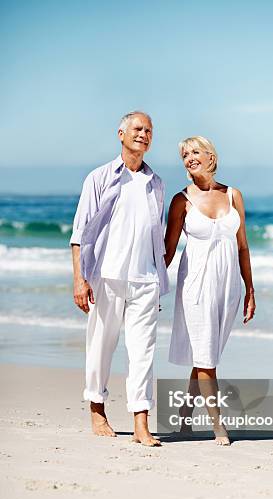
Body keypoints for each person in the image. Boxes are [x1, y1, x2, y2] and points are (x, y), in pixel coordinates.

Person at [69, 111, 169, 446]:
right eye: (138, 129)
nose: (143, 134)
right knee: (101, 345)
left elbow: (157, 235)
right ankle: (97, 409)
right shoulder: (99, 178)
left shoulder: (156, 183)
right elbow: (79, 234)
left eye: (149, 130)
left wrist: (158, 276)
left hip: (145, 280)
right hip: (106, 277)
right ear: (121, 133)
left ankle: (141, 422)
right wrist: (80, 280)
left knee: (143, 352)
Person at [164, 136, 256, 445]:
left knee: (207, 353)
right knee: (206, 357)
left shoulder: (233, 195)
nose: (189, 157)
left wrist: (249, 289)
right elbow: (168, 251)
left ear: (210, 156)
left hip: (228, 285)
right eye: (184, 155)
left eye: (194, 152)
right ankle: (219, 426)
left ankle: (185, 417)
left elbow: (243, 247)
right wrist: (150, 285)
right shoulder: (182, 201)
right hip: (196, 286)